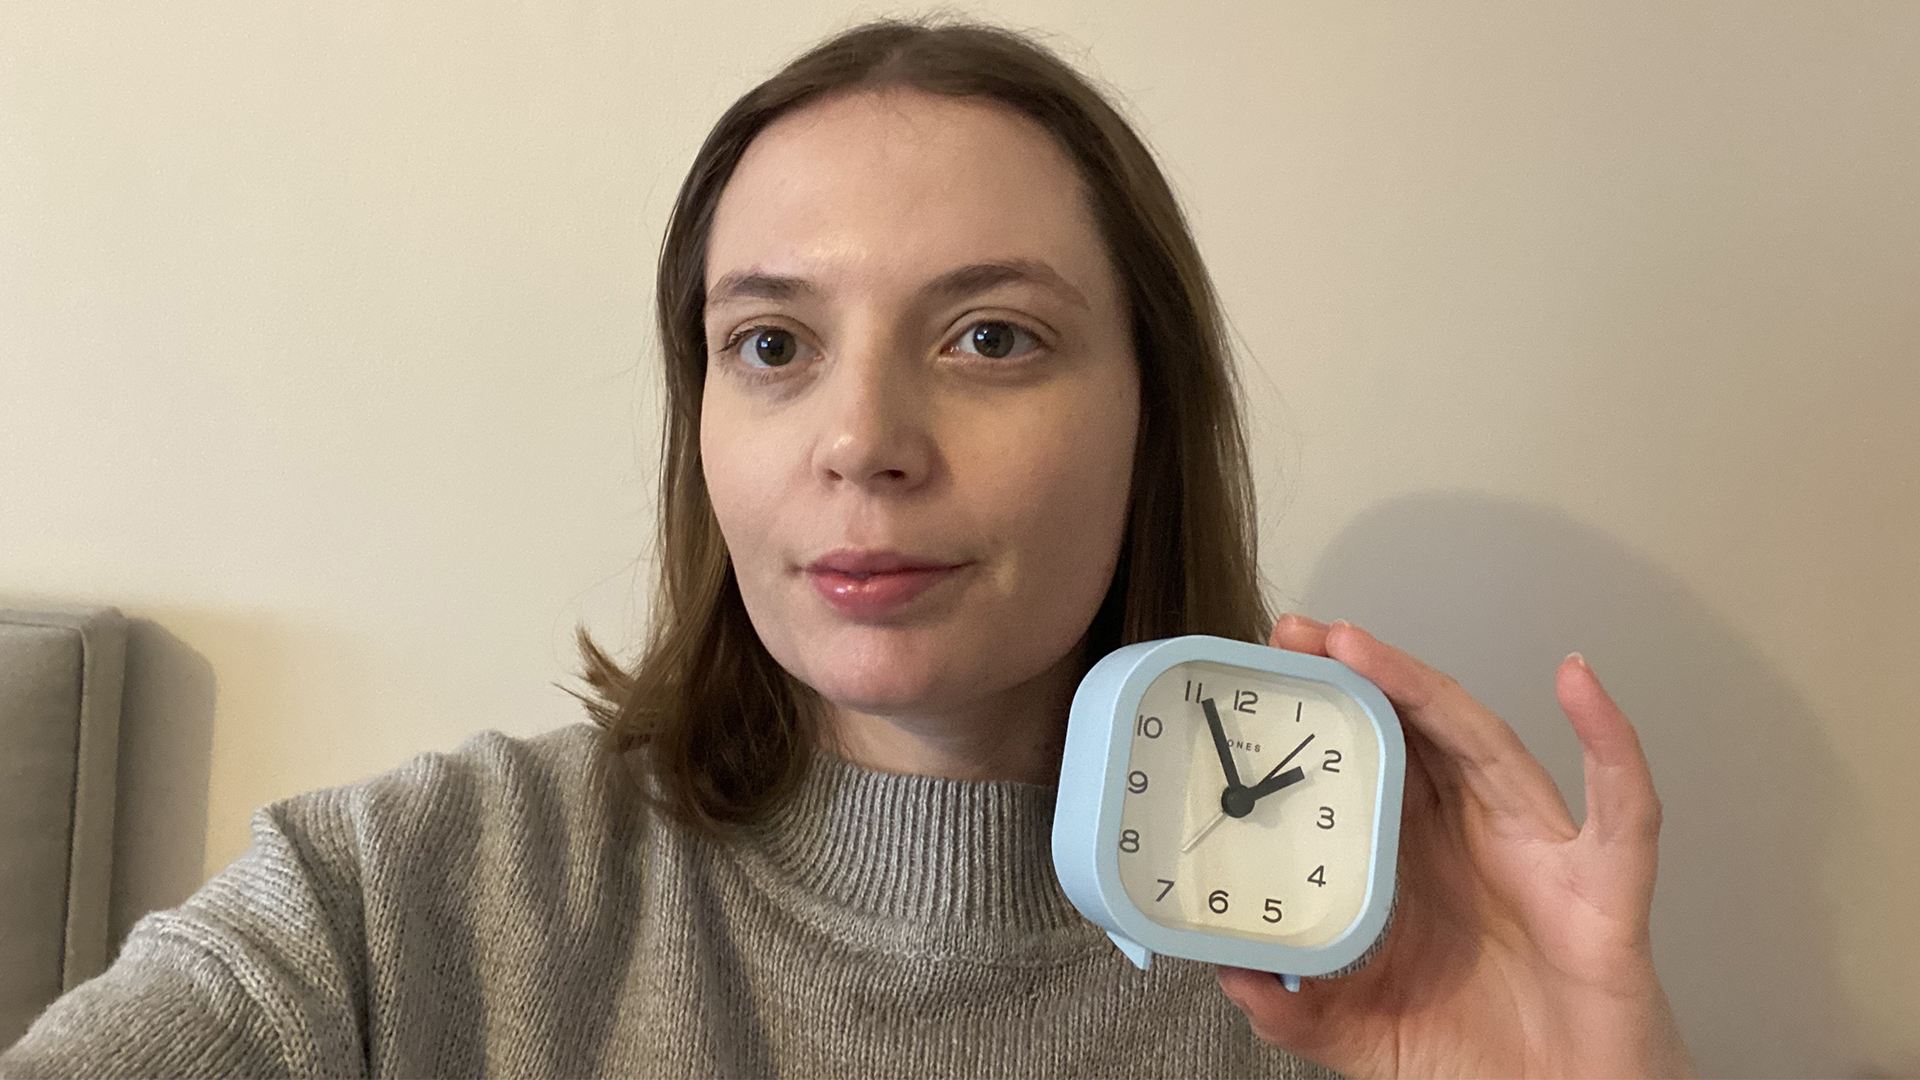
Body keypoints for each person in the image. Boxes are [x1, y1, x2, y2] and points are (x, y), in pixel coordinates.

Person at [0, 16, 1695, 1079]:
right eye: (773, 344)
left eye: (991, 339)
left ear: (1148, 417)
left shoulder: (1382, 970)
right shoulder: (406, 903)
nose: (862, 440)